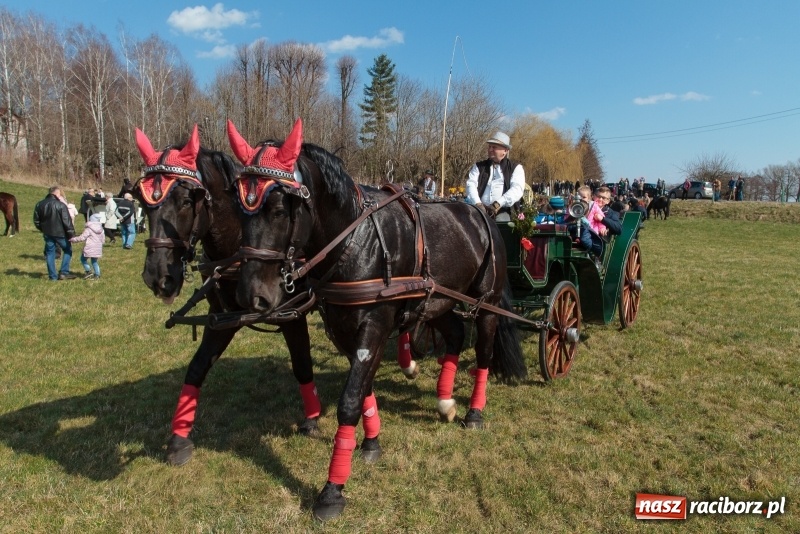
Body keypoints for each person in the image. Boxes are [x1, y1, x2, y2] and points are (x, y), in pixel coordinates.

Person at [465, 131, 525, 221]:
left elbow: (516, 190)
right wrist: (478, 204)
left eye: (494, 147)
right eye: (489, 146)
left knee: (500, 223)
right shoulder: (479, 167)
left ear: (505, 150)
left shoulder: (515, 168)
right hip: (479, 209)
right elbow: (471, 185)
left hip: (502, 210)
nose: (490, 149)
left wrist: (498, 204)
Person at [33, 186, 77, 280]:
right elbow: (67, 222)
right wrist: (72, 235)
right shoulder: (61, 205)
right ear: (57, 193)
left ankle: (52, 276)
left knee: (50, 253)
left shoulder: (39, 204)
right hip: (60, 233)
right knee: (68, 250)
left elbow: (36, 221)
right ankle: (64, 272)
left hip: (47, 233)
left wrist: (43, 229)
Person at [70, 213, 104, 280]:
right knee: (94, 261)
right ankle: (97, 275)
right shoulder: (101, 229)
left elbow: (82, 237)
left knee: (83, 259)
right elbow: (103, 239)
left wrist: (73, 239)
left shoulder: (89, 229)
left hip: (90, 247)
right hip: (98, 247)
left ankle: (88, 271)